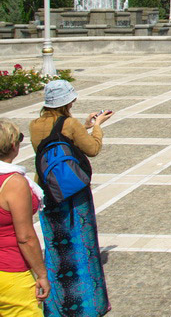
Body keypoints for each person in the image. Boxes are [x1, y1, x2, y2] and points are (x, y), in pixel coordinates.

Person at [30, 79, 112, 317]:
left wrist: (82, 127)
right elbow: (93, 149)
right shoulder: (70, 123)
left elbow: (57, 143)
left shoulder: (35, 124)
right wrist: (97, 126)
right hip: (73, 193)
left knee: (57, 246)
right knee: (82, 245)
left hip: (48, 190)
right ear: (68, 102)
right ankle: (89, 303)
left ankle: (58, 304)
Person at [0, 119, 49, 316]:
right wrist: (42, 274)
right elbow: (25, 237)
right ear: (13, 146)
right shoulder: (14, 183)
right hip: (10, 269)